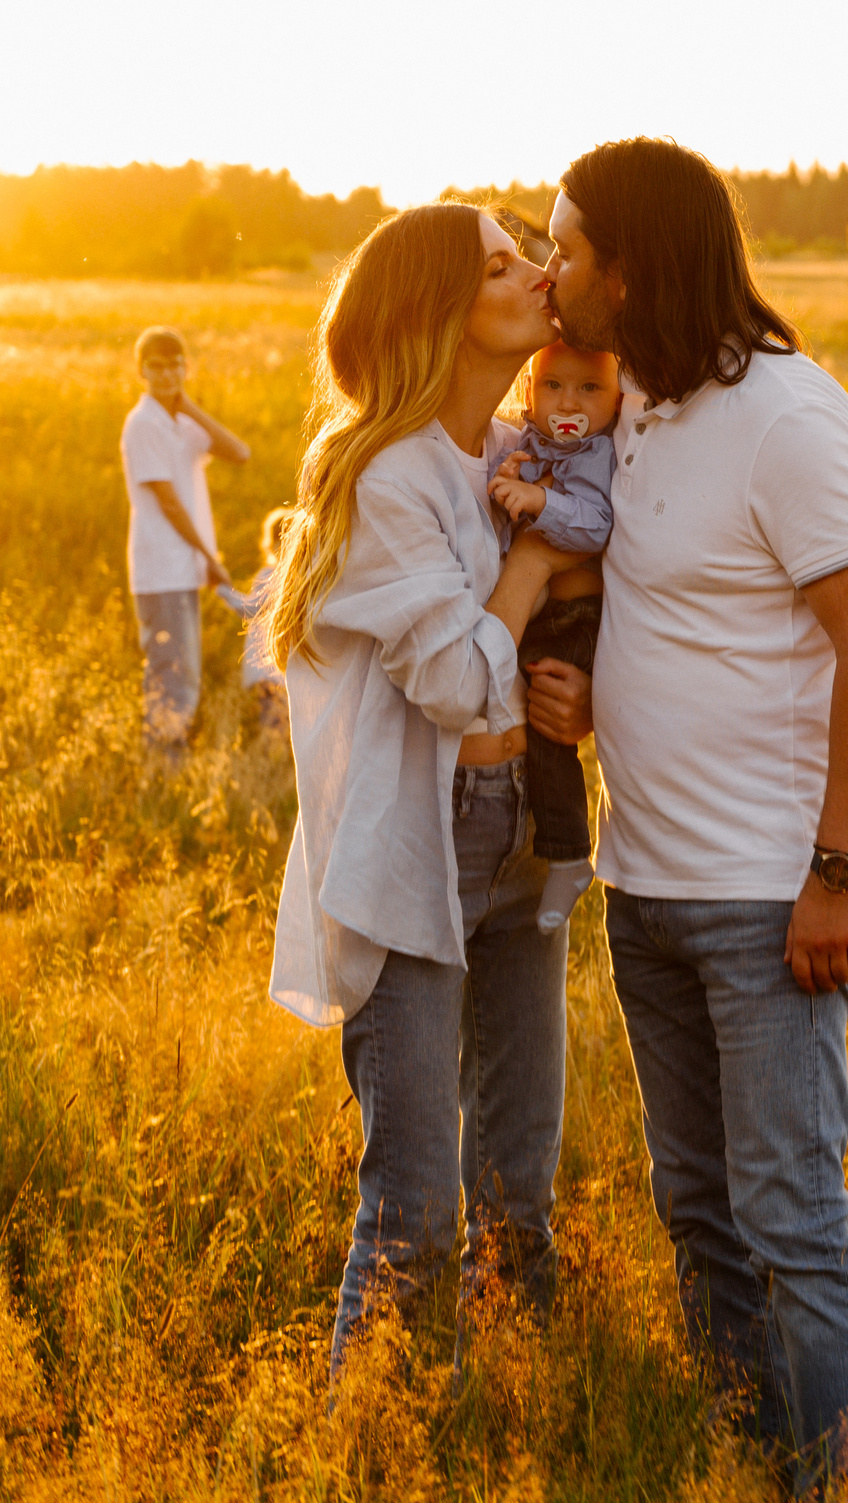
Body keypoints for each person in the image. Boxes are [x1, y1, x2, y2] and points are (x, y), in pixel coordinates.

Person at [542, 137, 848, 1490]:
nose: (549, 268)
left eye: (565, 245)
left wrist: (840, 871)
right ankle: (752, 1465)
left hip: (770, 898)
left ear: (631, 267)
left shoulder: (789, 411)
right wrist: (586, 686)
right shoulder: (625, 406)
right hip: (644, 892)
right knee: (700, 1215)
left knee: (792, 1219)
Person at [264, 203, 589, 1369]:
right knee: (414, 1208)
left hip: (525, 829)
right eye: (503, 266)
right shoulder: (387, 475)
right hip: (420, 840)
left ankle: (531, 1426)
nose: (538, 274)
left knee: (520, 1188)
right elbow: (456, 677)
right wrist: (538, 562)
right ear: (440, 316)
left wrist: (576, 696)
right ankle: (375, 1450)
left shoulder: (515, 452)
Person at [489, 340, 623, 936]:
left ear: (619, 400)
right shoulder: (529, 442)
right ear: (529, 392)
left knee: (549, 728)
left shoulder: (597, 452)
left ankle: (568, 854)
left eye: (590, 389)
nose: (569, 401)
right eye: (554, 387)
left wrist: (540, 500)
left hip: (580, 621)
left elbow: (595, 525)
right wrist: (513, 476)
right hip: (545, 615)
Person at [119, 326, 250, 763]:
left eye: (176, 364)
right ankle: (162, 770)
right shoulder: (142, 424)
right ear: (142, 370)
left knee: (182, 674)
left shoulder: (179, 422)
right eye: (156, 366)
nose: (167, 374)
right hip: (162, 568)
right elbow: (170, 505)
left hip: (181, 568)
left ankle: (164, 767)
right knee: (173, 676)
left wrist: (188, 406)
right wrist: (208, 557)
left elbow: (239, 452)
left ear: (186, 368)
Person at [216, 508, 294, 733]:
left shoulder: (271, 574)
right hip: (286, 665)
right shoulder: (300, 575)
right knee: (284, 721)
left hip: (267, 665)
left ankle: (271, 762)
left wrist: (222, 590)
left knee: (272, 721)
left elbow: (251, 609)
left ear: (271, 541)